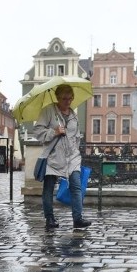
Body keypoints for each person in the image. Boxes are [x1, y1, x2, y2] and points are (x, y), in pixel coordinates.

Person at [31, 84, 91, 230]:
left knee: (76, 186)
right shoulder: (48, 111)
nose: (68, 101)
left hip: (72, 156)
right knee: (49, 188)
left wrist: (75, 149)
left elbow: (76, 135)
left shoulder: (73, 114)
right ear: (57, 97)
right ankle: (49, 219)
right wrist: (54, 132)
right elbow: (38, 132)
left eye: (70, 98)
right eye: (64, 98)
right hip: (53, 156)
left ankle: (78, 218)